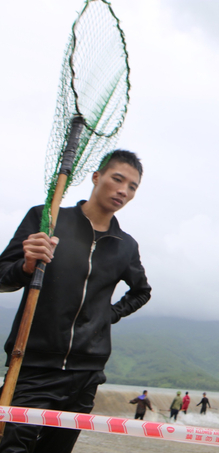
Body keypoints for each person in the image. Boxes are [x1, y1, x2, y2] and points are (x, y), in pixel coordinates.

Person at [0, 149, 151, 453]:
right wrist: (27, 266)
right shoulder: (48, 218)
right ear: (97, 177)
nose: (123, 190)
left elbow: (141, 291)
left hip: (86, 375)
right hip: (32, 364)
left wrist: (106, 315)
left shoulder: (126, 245)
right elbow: (3, 276)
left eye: (132, 186)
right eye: (117, 179)